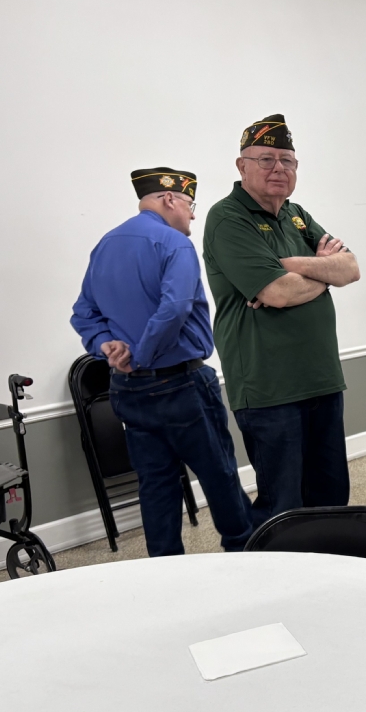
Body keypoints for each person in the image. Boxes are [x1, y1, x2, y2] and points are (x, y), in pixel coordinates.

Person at [71, 168, 254, 556]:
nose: (192, 215)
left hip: (127, 390)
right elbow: (174, 309)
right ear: (169, 199)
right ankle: (245, 554)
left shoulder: (106, 244)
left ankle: (164, 568)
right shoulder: (174, 244)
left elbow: (83, 312)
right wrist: (139, 355)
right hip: (180, 385)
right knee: (219, 474)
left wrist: (107, 347)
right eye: (190, 204)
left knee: (155, 485)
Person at [203, 115, 361, 527]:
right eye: (266, 159)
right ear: (242, 166)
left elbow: (350, 269)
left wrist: (289, 266)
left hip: (322, 379)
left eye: (287, 161)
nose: (279, 168)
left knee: (331, 497)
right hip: (269, 389)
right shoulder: (227, 218)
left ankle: (330, 567)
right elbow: (277, 293)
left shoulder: (296, 215)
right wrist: (321, 271)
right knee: (284, 510)